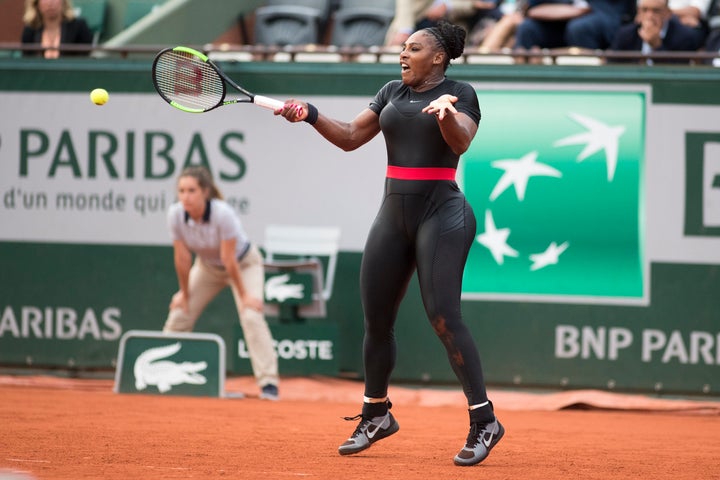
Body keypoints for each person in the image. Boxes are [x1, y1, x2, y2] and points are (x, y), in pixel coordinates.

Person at [275, 20, 503, 467]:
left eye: (413, 49)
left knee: (443, 317)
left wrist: (445, 113)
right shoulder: (390, 94)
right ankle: (375, 413)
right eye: (402, 48)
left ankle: (484, 420)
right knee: (376, 320)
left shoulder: (461, 91)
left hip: (444, 215)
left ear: (437, 58)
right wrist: (312, 115)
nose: (402, 54)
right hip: (393, 215)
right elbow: (350, 138)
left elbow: (463, 140)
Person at [163, 166, 280, 401]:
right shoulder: (175, 214)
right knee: (179, 312)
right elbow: (183, 259)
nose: (185, 196)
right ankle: (163, 369)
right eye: (181, 191)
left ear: (205, 192)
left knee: (251, 316)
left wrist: (245, 295)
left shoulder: (223, 214)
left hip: (244, 265)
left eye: (192, 190)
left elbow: (229, 259)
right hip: (206, 267)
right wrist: (184, 294)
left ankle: (269, 384)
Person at [513, 0, 636, 51]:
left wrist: (580, 10)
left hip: (602, 14)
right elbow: (532, 8)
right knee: (527, 28)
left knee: (578, 28)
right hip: (559, 17)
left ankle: (587, 84)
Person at [608, 0, 704, 63]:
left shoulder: (684, 37)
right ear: (638, 12)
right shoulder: (625, 34)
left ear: (668, 13)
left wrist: (657, 46)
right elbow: (612, 67)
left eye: (656, 11)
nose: (650, 16)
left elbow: (677, 73)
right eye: (645, 10)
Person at [21, 0, 93, 58]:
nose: (50, 2)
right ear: (36, 3)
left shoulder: (79, 27)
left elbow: (83, 60)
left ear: (64, 2)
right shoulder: (30, 31)